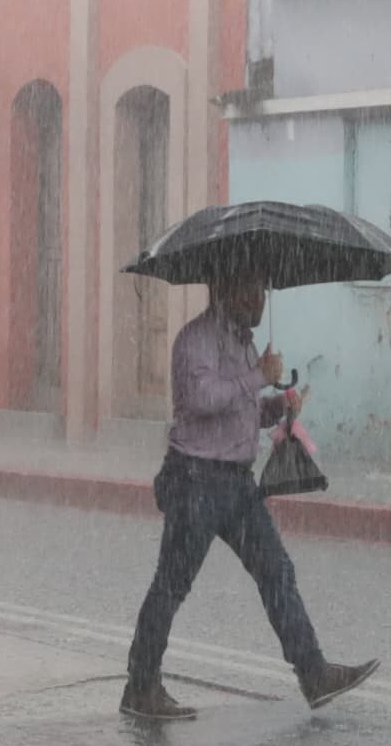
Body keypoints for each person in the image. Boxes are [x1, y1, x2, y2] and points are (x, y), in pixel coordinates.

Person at [121, 274, 375, 722]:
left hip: (237, 484)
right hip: (195, 479)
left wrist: (278, 407)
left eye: (262, 292)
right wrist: (259, 376)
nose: (260, 301)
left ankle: (313, 673)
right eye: (251, 291)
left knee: (276, 570)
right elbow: (201, 399)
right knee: (172, 584)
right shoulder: (195, 340)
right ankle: (141, 687)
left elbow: (239, 408)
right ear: (225, 290)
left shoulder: (243, 343)